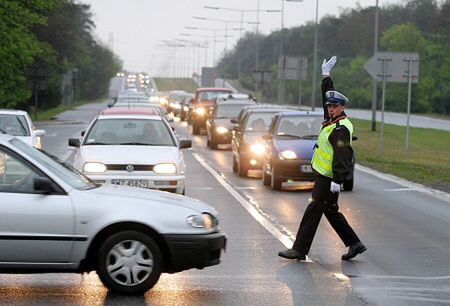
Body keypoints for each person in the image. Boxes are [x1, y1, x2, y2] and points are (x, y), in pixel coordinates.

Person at [278, 56, 367, 261]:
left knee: (313, 209)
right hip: (324, 176)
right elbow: (326, 95)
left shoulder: (341, 128)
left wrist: (338, 180)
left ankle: (299, 249)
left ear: (342, 107)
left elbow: (343, 155)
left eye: (334, 107)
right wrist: (326, 75)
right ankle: (355, 244)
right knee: (330, 210)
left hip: (328, 178)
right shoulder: (331, 120)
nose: (330, 109)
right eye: (329, 106)